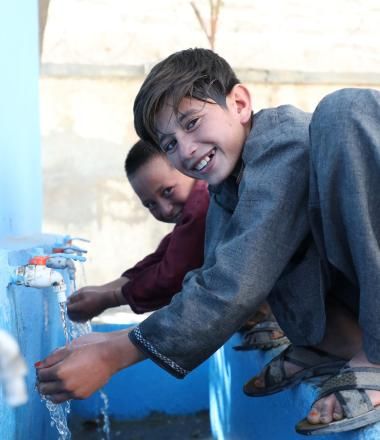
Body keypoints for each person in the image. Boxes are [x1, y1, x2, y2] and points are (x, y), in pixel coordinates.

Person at [36, 48, 380, 436]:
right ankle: (335, 341)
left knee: (346, 111)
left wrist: (118, 352)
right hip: (345, 307)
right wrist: (118, 337)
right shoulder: (227, 185)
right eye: (168, 144)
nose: (185, 149)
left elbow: (236, 280)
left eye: (192, 122)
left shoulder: (282, 144)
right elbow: (212, 274)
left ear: (240, 103)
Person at [67, 139, 287, 349]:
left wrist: (109, 298)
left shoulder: (203, 205)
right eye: (150, 204)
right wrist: (106, 288)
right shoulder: (197, 205)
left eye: (167, 191)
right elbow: (164, 255)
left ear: (187, 168)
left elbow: (171, 276)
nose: (164, 209)